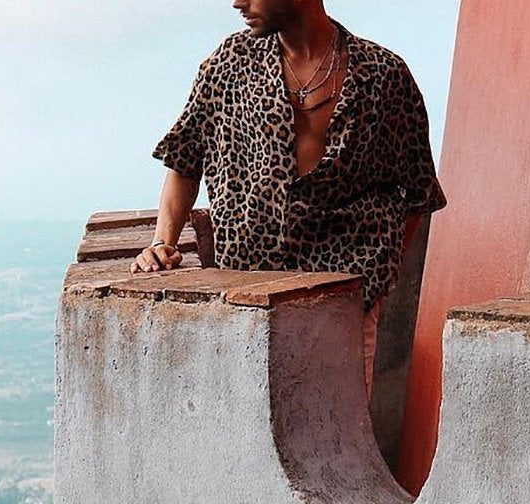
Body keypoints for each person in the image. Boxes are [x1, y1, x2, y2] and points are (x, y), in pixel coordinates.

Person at [131, 0, 446, 396]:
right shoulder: (230, 65)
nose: (237, 3)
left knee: (338, 436)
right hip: (248, 299)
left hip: (344, 302)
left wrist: (381, 278)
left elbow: (416, 190)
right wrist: (163, 243)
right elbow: (184, 160)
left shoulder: (383, 76)